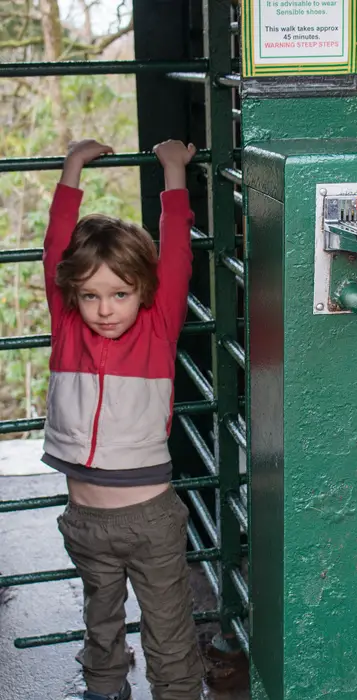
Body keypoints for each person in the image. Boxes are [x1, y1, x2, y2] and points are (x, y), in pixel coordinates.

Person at [42, 138, 203, 700]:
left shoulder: (158, 331)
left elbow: (177, 253)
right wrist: (72, 170)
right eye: (89, 295)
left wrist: (175, 176)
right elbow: (55, 250)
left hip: (149, 521)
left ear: (144, 292)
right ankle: (104, 689)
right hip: (85, 522)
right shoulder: (68, 331)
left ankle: (178, 692)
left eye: (119, 293)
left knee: (168, 629)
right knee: (101, 623)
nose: (105, 309)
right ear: (71, 295)